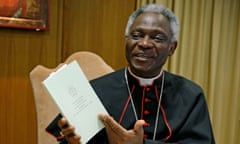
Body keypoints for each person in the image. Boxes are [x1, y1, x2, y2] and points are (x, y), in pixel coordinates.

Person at [46, 4, 215, 144]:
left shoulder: (191, 95)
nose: (144, 44)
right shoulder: (95, 90)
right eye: (136, 35)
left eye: (157, 38)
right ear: (126, 41)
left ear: (172, 48)